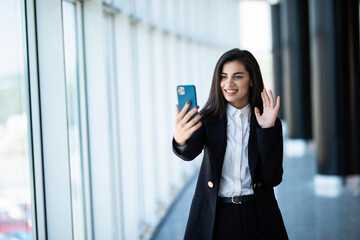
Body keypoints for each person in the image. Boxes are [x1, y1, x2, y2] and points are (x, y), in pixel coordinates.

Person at [172, 48, 288, 240]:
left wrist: (266, 130)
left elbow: (273, 178)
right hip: (217, 215)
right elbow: (188, 152)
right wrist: (180, 139)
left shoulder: (267, 120)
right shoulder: (209, 118)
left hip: (257, 213)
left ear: (251, 80)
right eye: (224, 76)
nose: (228, 83)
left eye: (237, 76)